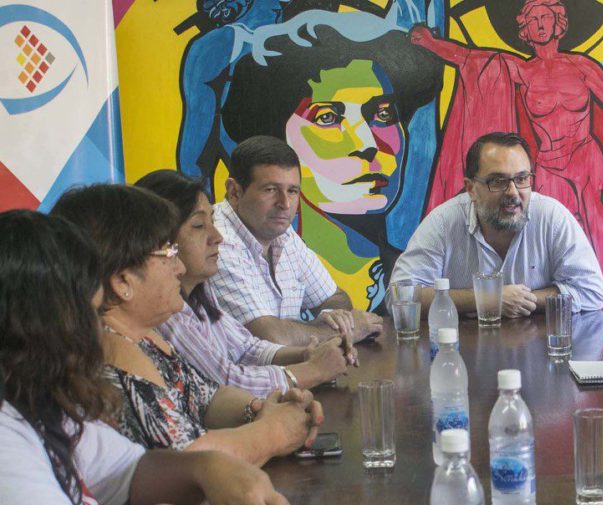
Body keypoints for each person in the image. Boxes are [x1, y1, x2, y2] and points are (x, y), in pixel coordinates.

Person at [0, 210, 292, 505]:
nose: (98, 331)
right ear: (35, 324)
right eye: (92, 314)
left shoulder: (39, 403)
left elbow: (128, 473)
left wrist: (205, 468)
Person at [410, 0, 603, 308]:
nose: (540, 24)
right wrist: (432, 44)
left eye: (545, 17)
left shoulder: (582, 67)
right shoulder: (522, 71)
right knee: (549, 239)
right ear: (525, 30)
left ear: (558, 23)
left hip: (587, 160)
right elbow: (472, 58)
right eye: (533, 20)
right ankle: (540, 306)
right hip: (551, 166)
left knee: (601, 236)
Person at [52, 184, 322, 465]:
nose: (179, 267)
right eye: (168, 253)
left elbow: (207, 397)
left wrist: (262, 409)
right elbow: (184, 460)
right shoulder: (111, 355)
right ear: (123, 281)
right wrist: (273, 432)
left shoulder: (144, 338)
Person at [222, 27, 444, 314]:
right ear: (279, 142)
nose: (366, 144)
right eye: (328, 118)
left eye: (383, 114)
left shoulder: (412, 272)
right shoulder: (246, 257)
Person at [136, 170, 357, 397]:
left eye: (292, 191)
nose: (217, 236)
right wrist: (313, 370)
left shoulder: (199, 291)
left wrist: (306, 354)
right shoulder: (165, 310)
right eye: (199, 225)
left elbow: (246, 347)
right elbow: (225, 383)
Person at [391, 132, 603, 315]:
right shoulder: (442, 223)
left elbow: (591, 292)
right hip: (464, 347)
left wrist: (525, 300)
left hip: (540, 346)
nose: (512, 192)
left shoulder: (552, 218)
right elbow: (399, 297)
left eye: (521, 179)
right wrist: (486, 299)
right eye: (497, 181)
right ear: (471, 189)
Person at [207, 135, 384, 346]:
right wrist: (345, 330)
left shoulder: (283, 233)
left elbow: (336, 297)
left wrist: (333, 320)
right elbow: (268, 338)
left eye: (292, 191)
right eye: (271, 190)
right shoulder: (216, 242)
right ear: (234, 192)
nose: (285, 204)